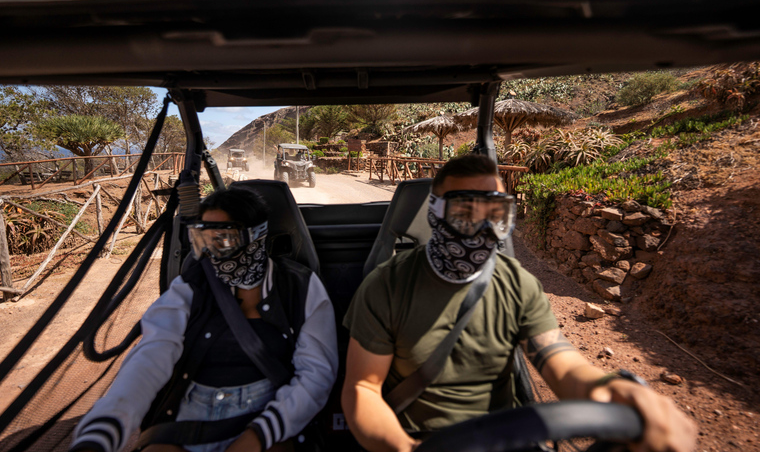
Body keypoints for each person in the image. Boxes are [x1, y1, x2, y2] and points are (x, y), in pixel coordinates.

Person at [341, 154, 697, 452]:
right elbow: (363, 389)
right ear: (435, 214)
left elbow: (561, 363)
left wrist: (609, 388)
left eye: (495, 215)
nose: (482, 229)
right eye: (466, 214)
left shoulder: (517, 283)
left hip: (504, 437)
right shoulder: (388, 284)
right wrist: (404, 449)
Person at [70, 187, 338, 452]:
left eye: (221, 239)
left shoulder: (299, 286)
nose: (211, 253)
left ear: (254, 237)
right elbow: (151, 355)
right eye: (202, 240)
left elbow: (317, 374)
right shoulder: (190, 286)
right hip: (189, 418)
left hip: (269, 415)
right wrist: (103, 429)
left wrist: (260, 434)